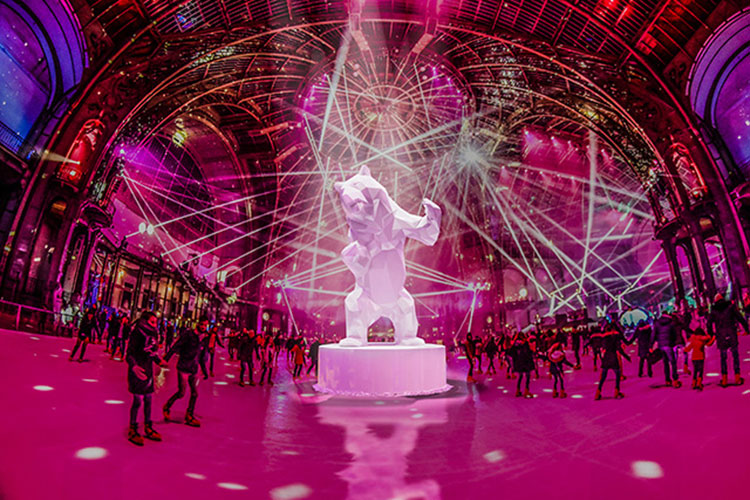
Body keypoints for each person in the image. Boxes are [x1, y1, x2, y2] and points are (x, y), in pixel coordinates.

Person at [125, 311, 166, 446]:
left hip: (147, 370)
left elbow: (151, 351)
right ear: (144, 321)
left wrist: (159, 361)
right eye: (152, 322)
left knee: (148, 399)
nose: (155, 325)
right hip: (138, 371)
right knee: (137, 400)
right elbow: (129, 353)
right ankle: (133, 428)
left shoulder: (153, 334)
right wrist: (134, 366)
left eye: (156, 322)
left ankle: (148, 426)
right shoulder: (137, 333)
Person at [163, 316, 208, 427]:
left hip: (193, 368)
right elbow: (176, 346)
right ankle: (167, 406)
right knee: (181, 393)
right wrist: (166, 359)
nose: (203, 327)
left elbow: (201, 356)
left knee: (195, 393)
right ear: (198, 323)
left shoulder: (203, 339)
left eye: (205, 325)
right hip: (183, 367)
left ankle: (189, 415)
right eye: (202, 324)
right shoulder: (188, 335)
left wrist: (205, 371)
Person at [707, 293, 748, 387]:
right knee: (735, 356)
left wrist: (711, 334)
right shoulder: (730, 306)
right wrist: (746, 328)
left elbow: (709, 323)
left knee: (723, 357)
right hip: (731, 333)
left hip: (721, 335)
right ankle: (737, 377)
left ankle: (724, 379)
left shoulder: (714, 310)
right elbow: (740, 318)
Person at [595, 329, 631, 400]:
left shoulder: (604, 338)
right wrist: (626, 356)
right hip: (613, 357)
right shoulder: (615, 337)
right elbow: (619, 348)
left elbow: (601, 346)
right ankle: (616, 391)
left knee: (603, 376)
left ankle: (598, 392)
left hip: (606, 358)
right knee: (618, 374)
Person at [652, 311, 682, 388]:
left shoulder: (657, 323)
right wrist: (672, 342)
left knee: (665, 363)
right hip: (669, 345)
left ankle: (667, 380)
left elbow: (653, 334)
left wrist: (651, 345)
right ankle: (675, 379)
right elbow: (674, 334)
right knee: (673, 362)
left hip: (661, 345)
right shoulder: (670, 323)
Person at [509, 333, 535, 398]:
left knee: (520, 376)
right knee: (527, 376)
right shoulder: (526, 343)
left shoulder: (515, 344)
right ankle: (526, 390)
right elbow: (529, 352)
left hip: (518, 363)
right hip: (526, 362)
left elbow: (511, 353)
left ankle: (518, 390)